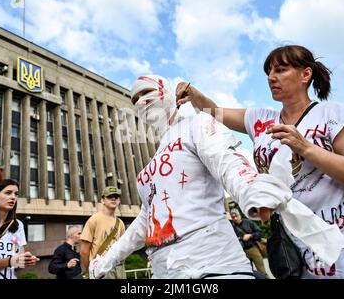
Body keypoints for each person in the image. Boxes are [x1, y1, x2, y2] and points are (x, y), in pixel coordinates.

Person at [176, 44, 344, 279]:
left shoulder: (335, 115)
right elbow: (215, 112)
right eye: (269, 72)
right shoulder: (260, 120)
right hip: (306, 261)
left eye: (280, 70)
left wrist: (306, 148)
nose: (271, 77)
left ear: (305, 74)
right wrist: (194, 95)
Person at [89, 74, 299, 279]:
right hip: (165, 271)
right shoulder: (150, 167)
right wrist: (106, 260)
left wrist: (251, 186)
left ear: (168, 93)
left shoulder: (197, 124)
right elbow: (146, 220)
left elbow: (224, 160)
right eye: (134, 100)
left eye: (146, 93)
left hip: (213, 264)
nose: (141, 102)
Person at [0, 179, 40, 279]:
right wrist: (11, 261)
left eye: (16, 194)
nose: (13, 197)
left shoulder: (18, 225)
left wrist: (24, 261)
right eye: (8, 193)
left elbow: (17, 266)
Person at [81, 186, 126, 279]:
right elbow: (84, 252)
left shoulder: (120, 223)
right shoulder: (94, 219)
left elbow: (123, 247)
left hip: (119, 267)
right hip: (101, 270)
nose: (113, 198)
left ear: (119, 201)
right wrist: (92, 271)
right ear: (102, 201)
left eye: (116, 196)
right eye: (109, 196)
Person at [230, 208, 268, 278]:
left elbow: (260, 233)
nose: (235, 218)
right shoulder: (231, 227)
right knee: (248, 275)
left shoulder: (248, 222)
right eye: (233, 217)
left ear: (240, 215)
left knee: (262, 272)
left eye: (236, 216)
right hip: (241, 252)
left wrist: (250, 235)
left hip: (253, 249)